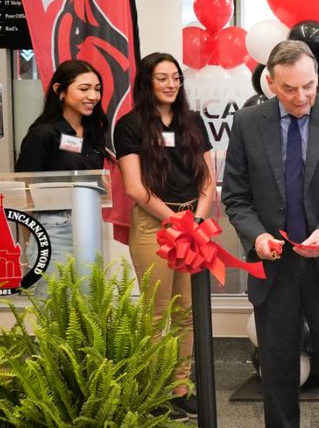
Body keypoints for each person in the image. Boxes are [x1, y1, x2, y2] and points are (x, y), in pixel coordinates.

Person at [222, 40, 319, 428]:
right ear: (270, 83)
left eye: (308, 85)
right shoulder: (247, 123)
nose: (301, 96)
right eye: (289, 88)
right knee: (277, 376)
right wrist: (256, 237)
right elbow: (236, 197)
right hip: (274, 268)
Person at [115, 52, 214, 419]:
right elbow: (134, 187)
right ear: (146, 83)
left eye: (175, 77)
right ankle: (154, 393)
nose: (171, 84)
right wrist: (174, 220)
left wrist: (198, 221)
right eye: (162, 78)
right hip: (154, 225)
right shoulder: (129, 126)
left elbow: (207, 179)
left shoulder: (193, 121)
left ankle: (180, 388)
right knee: (157, 314)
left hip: (192, 224)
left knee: (187, 314)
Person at [14, 60, 110, 279]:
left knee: (87, 303)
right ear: (60, 91)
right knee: (54, 305)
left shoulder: (93, 132)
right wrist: (31, 236)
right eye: (84, 89)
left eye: (97, 89)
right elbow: (24, 189)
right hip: (52, 229)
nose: (93, 96)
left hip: (89, 223)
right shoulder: (43, 134)